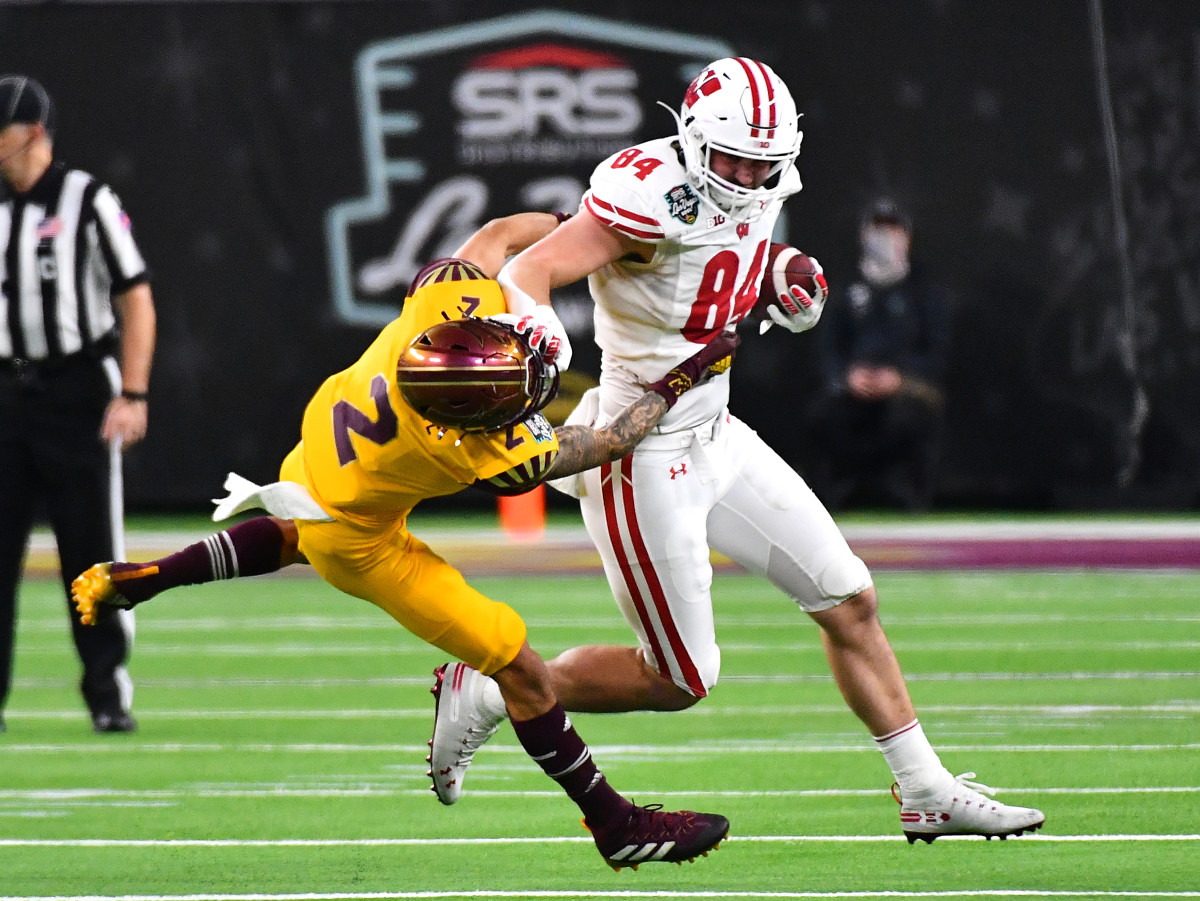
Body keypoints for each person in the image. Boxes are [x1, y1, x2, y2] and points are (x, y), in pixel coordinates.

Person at [426, 57, 1044, 844]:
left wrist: (788, 274)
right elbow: (529, 268)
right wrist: (541, 336)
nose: (751, 175)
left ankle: (925, 790)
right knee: (681, 677)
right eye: (736, 158)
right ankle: (484, 691)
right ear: (691, 140)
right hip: (636, 451)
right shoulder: (651, 191)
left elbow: (741, 250)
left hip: (715, 432)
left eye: (765, 160)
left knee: (848, 597)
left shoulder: (758, 179)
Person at [71, 211, 737, 871]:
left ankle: (146, 577)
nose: (534, 382)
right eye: (516, 393)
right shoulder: (483, 446)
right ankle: (614, 824)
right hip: (361, 541)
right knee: (520, 670)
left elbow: (498, 234)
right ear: (479, 421)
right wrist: (685, 374)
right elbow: (611, 439)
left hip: (320, 462)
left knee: (297, 528)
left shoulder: (444, 306)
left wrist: (578, 227)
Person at [0, 75, 155, 734]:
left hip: (75, 389)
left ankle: (106, 690)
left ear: (30, 132)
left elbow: (135, 295)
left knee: (90, 552)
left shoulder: (87, 198)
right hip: (5, 390)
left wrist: (134, 392)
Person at [804, 197, 951, 511]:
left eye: (892, 229)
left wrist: (900, 378)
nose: (884, 238)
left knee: (911, 415)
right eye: (878, 229)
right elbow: (827, 348)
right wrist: (847, 376)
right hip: (852, 388)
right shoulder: (844, 291)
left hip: (907, 388)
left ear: (907, 236)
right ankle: (828, 499)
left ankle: (910, 497)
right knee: (824, 413)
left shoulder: (926, 293)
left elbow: (938, 353)